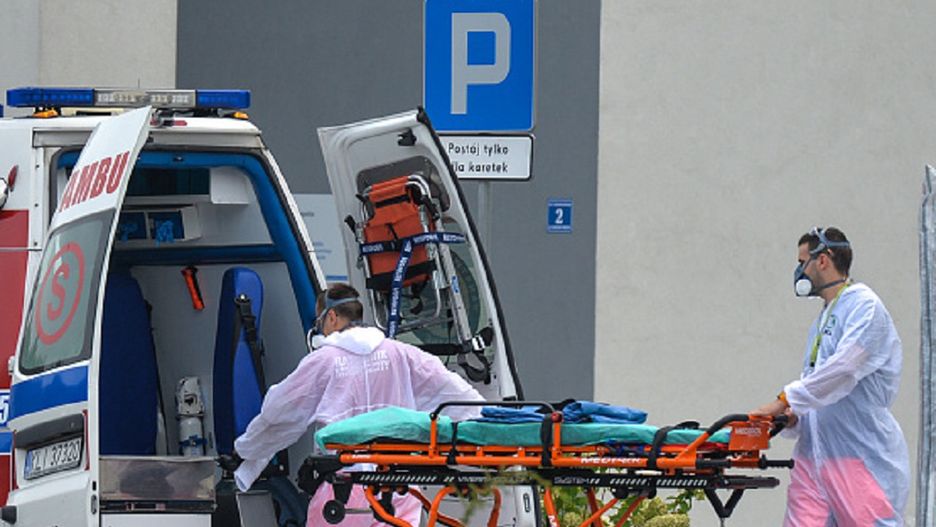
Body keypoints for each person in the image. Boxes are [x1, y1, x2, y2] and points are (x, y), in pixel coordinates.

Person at [234, 283, 485, 526]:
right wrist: (490, 427)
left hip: (344, 490)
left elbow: (279, 413)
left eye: (319, 321)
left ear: (332, 317)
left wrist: (246, 451)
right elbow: (455, 394)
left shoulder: (325, 361)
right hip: (399, 487)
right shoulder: (401, 353)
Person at [752, 227, 909, 526]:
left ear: (822, 260)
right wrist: (794, 416)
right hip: (814, 459)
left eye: (803, 262)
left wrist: (783, 400)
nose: (800, 271)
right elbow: (819, 384)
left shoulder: (864, 307)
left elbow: (844, 369)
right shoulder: (824, 318)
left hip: (859, 460)